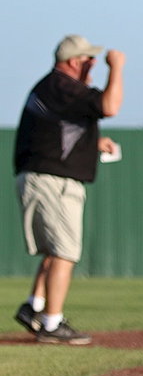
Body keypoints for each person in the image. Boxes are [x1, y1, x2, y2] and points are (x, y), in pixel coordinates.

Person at [14, 34, 125, 345]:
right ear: (75, 61)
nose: (93, 63)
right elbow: (110, 106)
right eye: (89, 59)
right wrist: (116, 67)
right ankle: (51, 324)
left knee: (54, 249)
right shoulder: (61, 86)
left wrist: (93, 144)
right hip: (51, 181)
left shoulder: (54, 88)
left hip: (44, 176)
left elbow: (58, 132)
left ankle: (34, 306)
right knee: (64, 251)